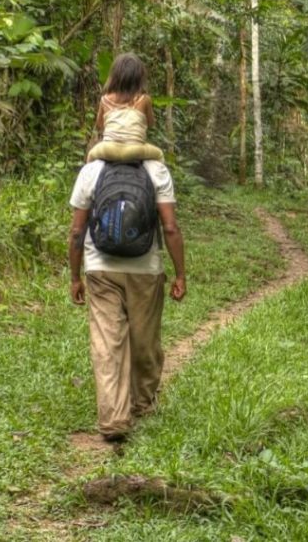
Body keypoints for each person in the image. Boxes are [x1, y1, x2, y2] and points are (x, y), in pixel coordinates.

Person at [68, 58, 186, 443]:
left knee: (107, 344)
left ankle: (113, 419)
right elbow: (169, 226)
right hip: (145, 267)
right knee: (145, 340)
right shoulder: (157, 172)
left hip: (99, 265)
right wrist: (180, 272)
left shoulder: (91, 171)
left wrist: (74, 275)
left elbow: (75, 231)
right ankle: (143, 403)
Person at [87, 53, 165, 163]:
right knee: (160, 155)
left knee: (90, 158)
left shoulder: (104, 100)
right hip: (135, 150)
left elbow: (100, 125)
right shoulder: (144, 99)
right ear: (139, 77)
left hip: (108, 149)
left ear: (114, 77)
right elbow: (151, 123)